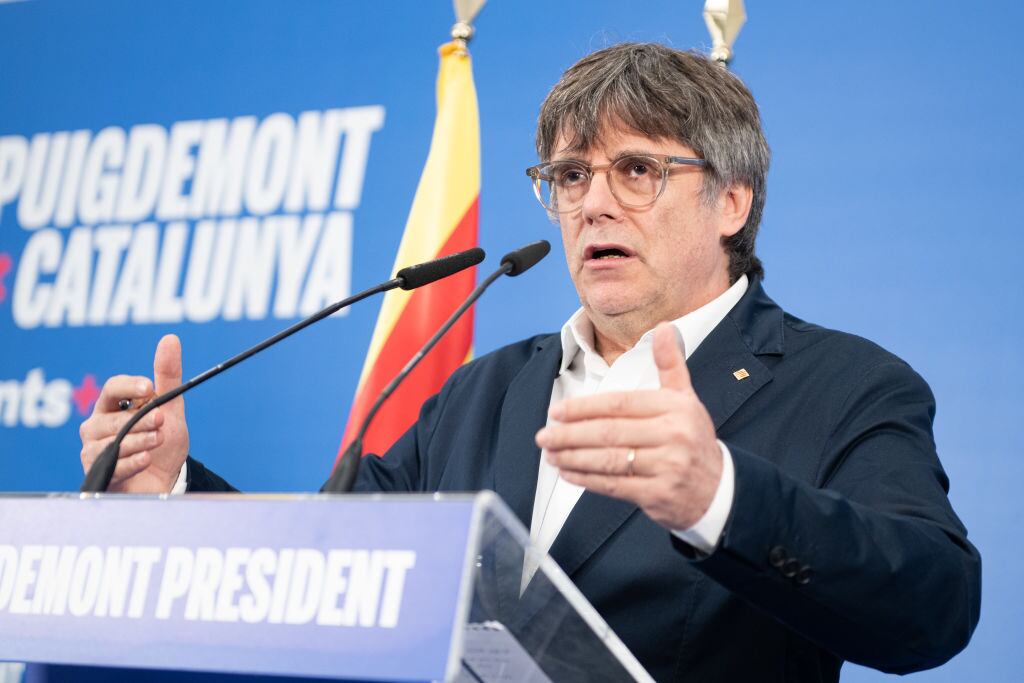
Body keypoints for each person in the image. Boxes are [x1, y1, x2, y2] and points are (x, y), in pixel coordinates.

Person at [79, 43, 981, 682]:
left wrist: (719, 496)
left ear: (731, 203)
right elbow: (333, 563)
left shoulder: (847, 383)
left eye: (636, 171)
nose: (593, 204)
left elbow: (933, 605)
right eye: (570, 176)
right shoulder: (486, 387)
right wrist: (171, 490)